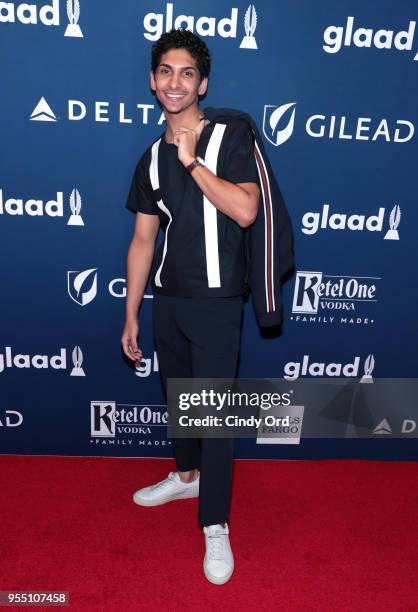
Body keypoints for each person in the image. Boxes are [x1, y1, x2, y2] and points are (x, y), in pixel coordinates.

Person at [121, 28, 260, 585]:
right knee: (181, 404)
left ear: (202, 82)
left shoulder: (231, 133)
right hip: (168, 299)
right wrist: (131, 312)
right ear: (153, 82)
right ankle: (186, 475)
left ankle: (216, 522)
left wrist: (193, 162)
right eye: (164, 72)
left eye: (185, 73)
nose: (174, 82)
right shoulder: (149, 159)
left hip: (218, 300)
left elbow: (247, 210)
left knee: (214, 416)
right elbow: (141, 241)